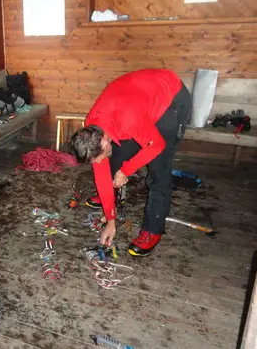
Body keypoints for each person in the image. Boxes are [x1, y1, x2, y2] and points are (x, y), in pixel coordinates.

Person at [69, 69, 192, 256]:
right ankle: (112, 196)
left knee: (159, 166)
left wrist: (126, 170)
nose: (99, 162)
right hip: (138, 98)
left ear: (104, 140)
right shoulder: (92, 129)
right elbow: (101, 174)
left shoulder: (129, 120)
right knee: (115, 157)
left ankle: (153, 229)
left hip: (170, 98)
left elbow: (155, 145)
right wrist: (110, 220)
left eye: (100, 156)